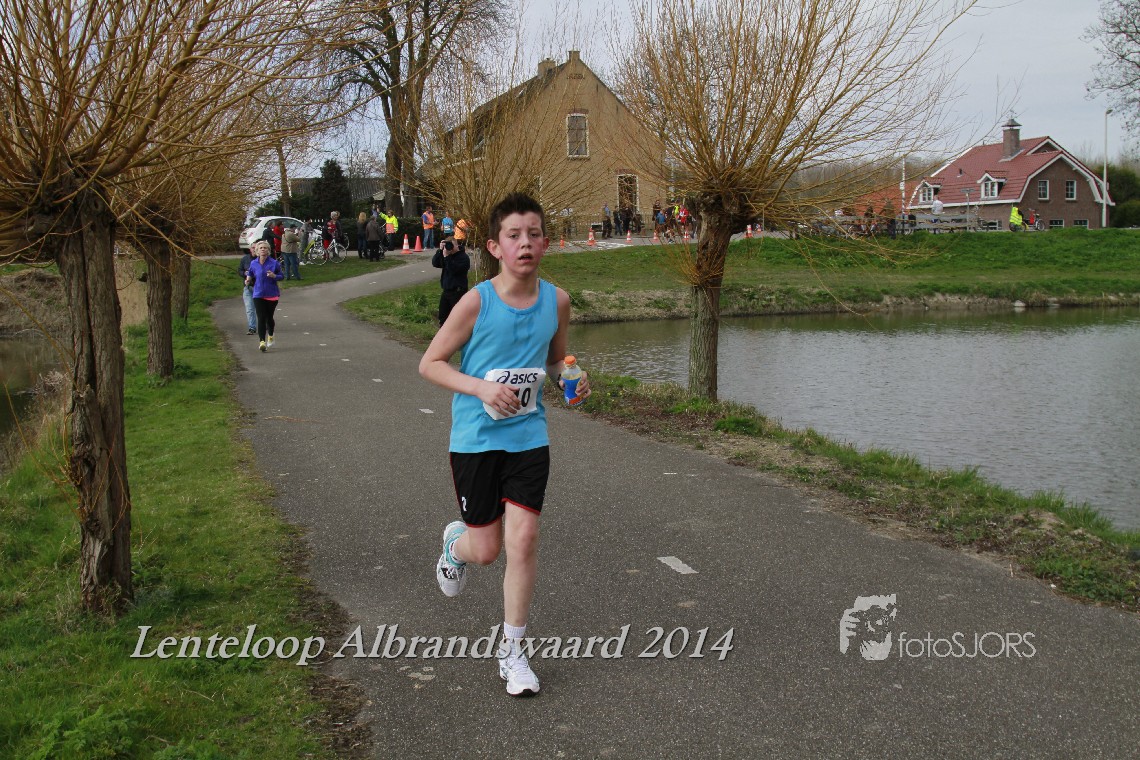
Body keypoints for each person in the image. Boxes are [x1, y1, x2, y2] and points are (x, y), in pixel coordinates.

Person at [418, 192, 590, 698]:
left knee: (524, 539)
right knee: (487, 550)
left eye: (534, 234)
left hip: (528, 436)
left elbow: (556, 360)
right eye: (514, 236)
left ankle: (513, 651)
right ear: (495, 247)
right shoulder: (478, 301)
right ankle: (456, 544)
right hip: (475, 438)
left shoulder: (557, 301)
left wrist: (571, 379)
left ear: (546, 243)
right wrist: (481, 388)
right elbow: (430, 363)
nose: (525, 243)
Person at [246, 240, 284, 352]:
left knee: (269, 317)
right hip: (258, 293)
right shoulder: (254, 263)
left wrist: (274, 276)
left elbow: (281, 276)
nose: (263, 249)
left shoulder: (274, 263)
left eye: (265, 248)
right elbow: (250, 273)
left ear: (268, 250)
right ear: (257, 251)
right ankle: (262, 342)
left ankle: (271, 335)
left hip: (271, 294)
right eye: (261, 248)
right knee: (261, 317)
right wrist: (248, 280)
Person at [431, 238, 470, 324]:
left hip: (458, 292)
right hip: (446, 291)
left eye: (452, 245)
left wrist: (447, 257)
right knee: (442, 317)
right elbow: (435, 263)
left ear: (457, 245)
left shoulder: (463, 258)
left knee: (457, 319)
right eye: (448, 245)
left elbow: (453, 270)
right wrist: (440, 251)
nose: (450, 248)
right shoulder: (447, 255)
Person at [238, 247, 257, 334]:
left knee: (261, 309)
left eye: (256, 247)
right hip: (248, 287)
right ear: (250, 249)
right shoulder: (245, 259)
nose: (254, 249)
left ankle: (265, 324)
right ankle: (252, 327)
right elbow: (240, 270)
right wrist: (244, 273)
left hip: (260, 288)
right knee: (249, 308)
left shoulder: (263, 260)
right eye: (253, 247)